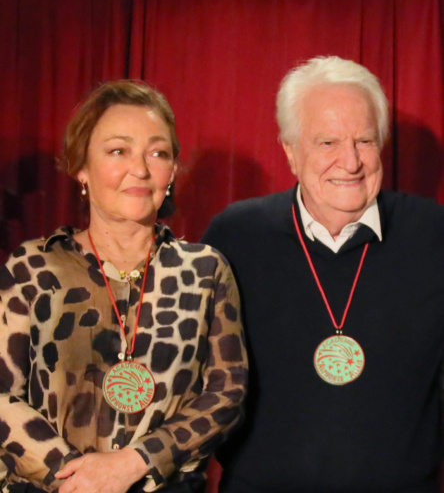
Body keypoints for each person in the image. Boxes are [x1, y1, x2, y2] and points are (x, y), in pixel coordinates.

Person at [202, 56, 444, 493]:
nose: (350, 162)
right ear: (291, 152)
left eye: (364, 141)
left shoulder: (434, 234)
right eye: (328, 142)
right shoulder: (235, 235)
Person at [0, 81, 247, 493]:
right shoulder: (33, 267)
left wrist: (136, 462)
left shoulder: (206, 270)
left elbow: (227, 394)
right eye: (118, 151)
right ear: (81, 167)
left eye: (158, 153)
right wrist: (77, 477)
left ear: (172, 170)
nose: (141, 169)